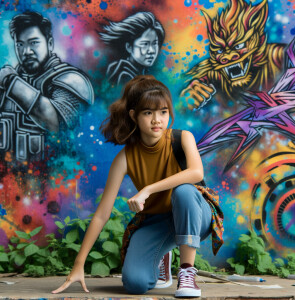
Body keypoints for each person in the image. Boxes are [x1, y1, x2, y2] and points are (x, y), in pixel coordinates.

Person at [52, 75, 223, 298]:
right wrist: (79, 263)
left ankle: (187, 273)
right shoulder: (125, 158)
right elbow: (101, 215)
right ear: (134, 115)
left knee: (184, 191)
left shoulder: (182, 139)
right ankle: (163, 255)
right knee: (135, 284)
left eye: (163, 112)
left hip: (195, 214)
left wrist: (148, 189)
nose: (157, 120)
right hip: (158, 221)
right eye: (148, 112)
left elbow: (196, 173)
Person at [0, 11, 94, 161]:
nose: (26, 51)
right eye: (20, 44)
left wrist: (10, 82)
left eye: (34, 43)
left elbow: (56, 124)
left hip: (55, 180)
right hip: (8, 179)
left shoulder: (70, 79)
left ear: (49, 44)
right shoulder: (7, 77)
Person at [100, 12, 164, 86]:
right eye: (145, 44)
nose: (152, 51)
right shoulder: (124, 74)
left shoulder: (140, 73)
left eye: (154, 44)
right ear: (129, 47)